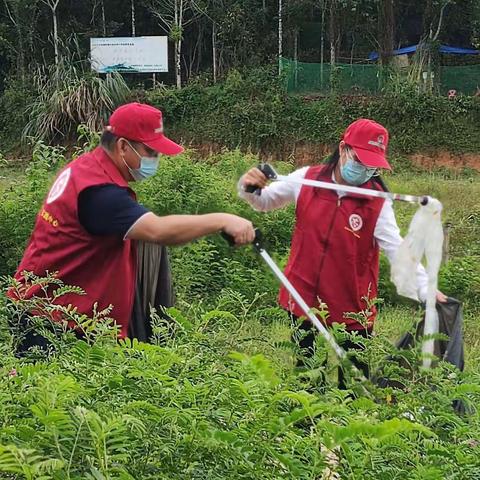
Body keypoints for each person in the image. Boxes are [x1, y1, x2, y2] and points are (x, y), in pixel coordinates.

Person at [10, 102, 255, 351]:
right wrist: (224, 219)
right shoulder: (99, 192)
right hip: (52, 323)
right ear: (123, 146)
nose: (155, 160)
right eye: (151, 152)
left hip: (56, 311)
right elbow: (158, 231)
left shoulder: (87, 169)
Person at [238, 118, 446, 385]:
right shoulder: (307, 179)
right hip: (304, 295)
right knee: (309, 373)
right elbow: (264, 201)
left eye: (372, 167)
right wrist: (249, 186)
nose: (365, 171)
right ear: (342, 149)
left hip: (352, 304)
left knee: (354, 381)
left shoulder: (377, 202)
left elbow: (397, 249)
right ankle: (308, 423)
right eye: (360, 162)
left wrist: (424, 286)